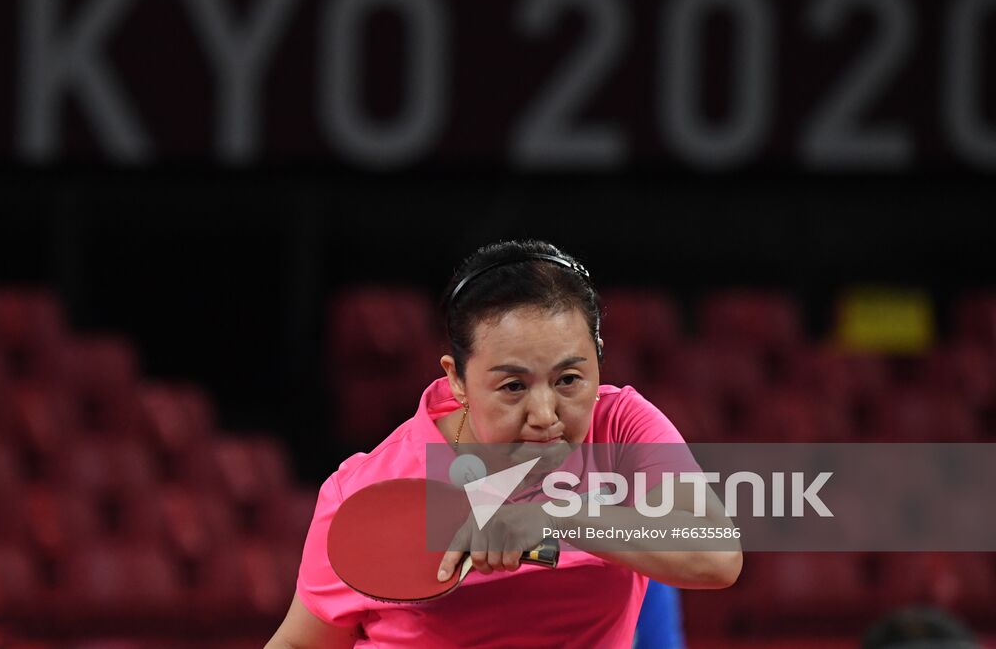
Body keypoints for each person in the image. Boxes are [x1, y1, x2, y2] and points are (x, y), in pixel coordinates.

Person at [267, 240, 741, 648]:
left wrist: (552, 516)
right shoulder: (372, 487)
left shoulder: (619, 428)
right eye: (513, 386)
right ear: (456, 379)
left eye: (569, 379)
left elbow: (717, 554)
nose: (545, 414)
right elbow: (298, 642)